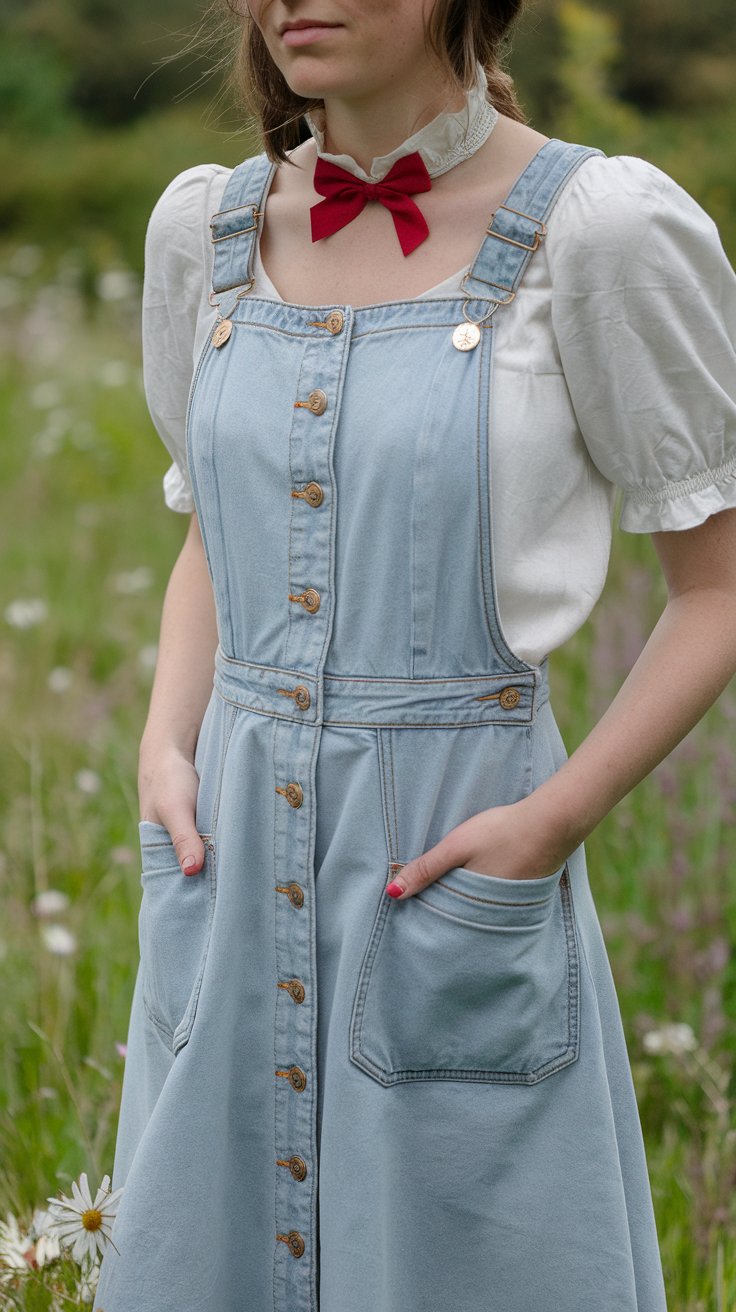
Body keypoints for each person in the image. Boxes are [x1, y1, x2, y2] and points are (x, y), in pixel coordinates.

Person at [95, 2, 736, 1309]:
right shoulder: (202, 234)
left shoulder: (598, 231)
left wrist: (551, 823)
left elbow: (717, 581)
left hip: (450, 851)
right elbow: (216, 535)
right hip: (228, 852)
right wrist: (165, 743)